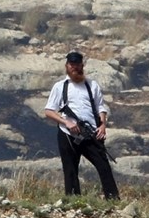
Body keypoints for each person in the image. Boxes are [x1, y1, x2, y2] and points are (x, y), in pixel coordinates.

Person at [44, 52, 120, 200]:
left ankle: (113, 199)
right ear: (67, 66)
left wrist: (103, 125)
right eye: (72, 65)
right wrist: (66, 122)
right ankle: (73, 201)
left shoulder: (92, 85)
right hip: (68, 133)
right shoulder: (60, 87)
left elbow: (101, 108)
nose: (75, 68)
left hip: (90, 133)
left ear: (82, 65)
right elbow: (49, 111)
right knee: (70, 169)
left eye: (78, 64)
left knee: (104, 166)